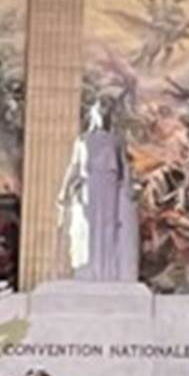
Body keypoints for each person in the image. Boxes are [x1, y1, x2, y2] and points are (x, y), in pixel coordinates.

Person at [56, 99, 140, 282]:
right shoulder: (83, 140)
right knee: (89, 227)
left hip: (110, 186)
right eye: (99, 111)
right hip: (89, 185)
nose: (103, 115)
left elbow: (124, 166)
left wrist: (128, 188)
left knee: (108, 226)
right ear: (93, 115)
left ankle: (107, 271)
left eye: (106, 112)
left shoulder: (116, 140)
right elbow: (74, 165)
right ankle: (88, 269)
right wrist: (64, 189)